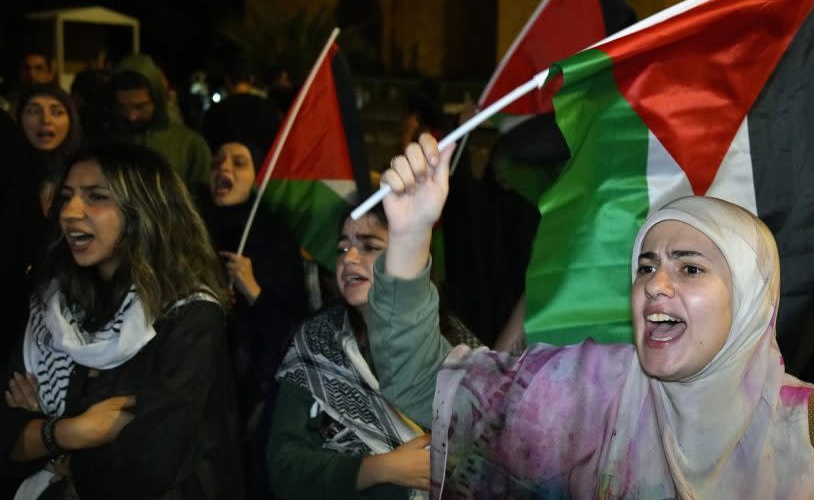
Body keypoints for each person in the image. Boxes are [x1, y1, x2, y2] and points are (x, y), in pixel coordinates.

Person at [364, 134, 814, 499]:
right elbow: (426, 384)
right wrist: (409, 238)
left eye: (690, 268)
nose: (656, 285)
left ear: (750, 298)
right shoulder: (583, 396)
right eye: (647, 266)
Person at [1, 143, 244, 499]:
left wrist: (46, 437)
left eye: (96, 197)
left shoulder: (189, 314)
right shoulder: (51, 307)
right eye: (66, 197)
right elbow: (5, 438)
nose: (70, 211)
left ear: (144, 211)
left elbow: (151, 460)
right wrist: (76, 431)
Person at [267, 200, 479, 500]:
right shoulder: (317, 342)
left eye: (369, 246)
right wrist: (381, 468)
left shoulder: (453, 344)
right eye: (342, 248)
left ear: (408, 255)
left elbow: (494, 444)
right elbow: (284, 467)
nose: (349, 258)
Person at [198, 140, 308, 499]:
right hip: (196, 396)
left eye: (238, 163)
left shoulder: (276, 240)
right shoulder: (192, 232)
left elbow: (293, 336)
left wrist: (253, 291)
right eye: (218, 161)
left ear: (258, 177)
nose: (223, 169)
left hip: (254, 403)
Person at [110, 54, 212, 189]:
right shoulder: (108, 141)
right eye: (123, 107)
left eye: (140, 106)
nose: (132, 116)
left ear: (157, 102)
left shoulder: (190, 145)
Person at [16, 84, 83, 216]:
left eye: (57, 112)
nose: (46, 120)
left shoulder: (87, 171)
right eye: (34, 111)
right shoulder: (9, 172)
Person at [202, 57, 281, 154]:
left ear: (227, 81)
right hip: (262, 166)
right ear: (251, 79)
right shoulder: (269, 108)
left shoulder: (215, 111)